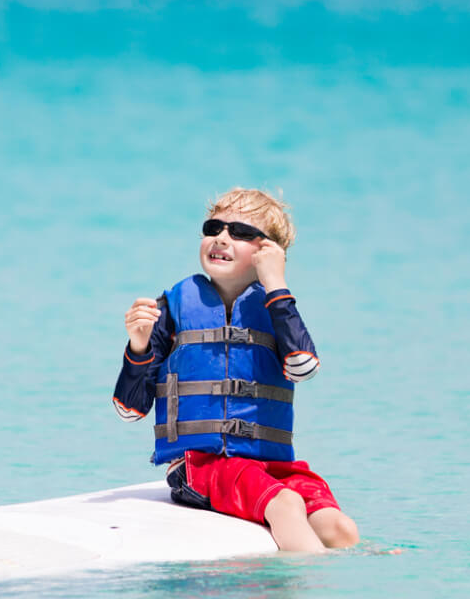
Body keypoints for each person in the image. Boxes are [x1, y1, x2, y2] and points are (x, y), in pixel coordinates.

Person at [113, 190, 360, 552]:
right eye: (213, 228)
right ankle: (299, 598)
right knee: (286, 505)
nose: (222, 238)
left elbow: (303, 367)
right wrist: (138, 345)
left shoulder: (275, 307)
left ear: (269, 252)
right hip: (198, 467)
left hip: (269, 466)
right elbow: (128, 409)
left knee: (340, 527)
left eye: (240, 232)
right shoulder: (174, 307)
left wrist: (277, 283)